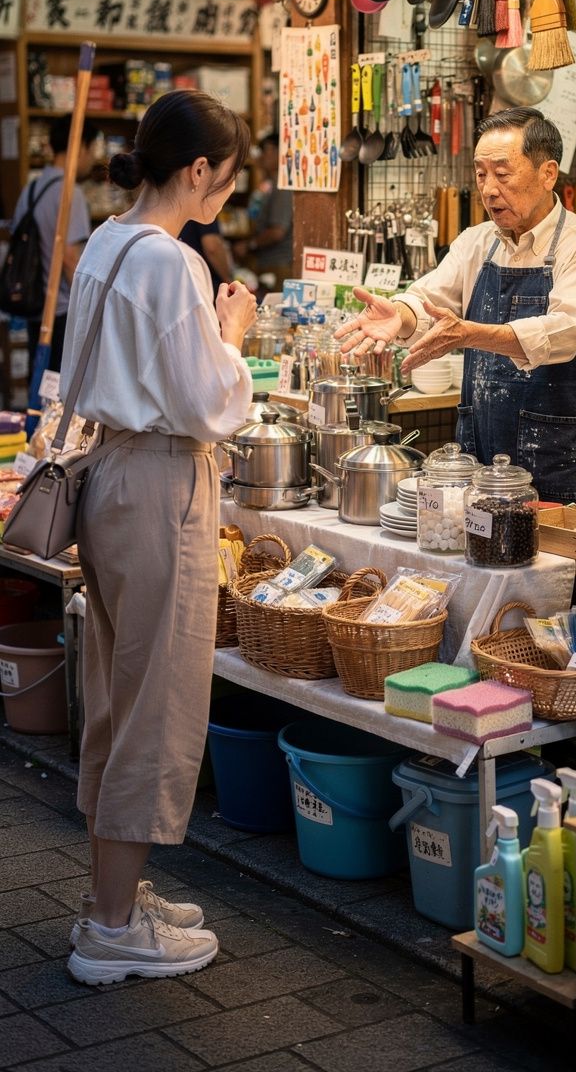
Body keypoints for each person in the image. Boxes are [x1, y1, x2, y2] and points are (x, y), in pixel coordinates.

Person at [61, 90, 256, 985]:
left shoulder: (107, 238)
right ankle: (110, 927)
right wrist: (233, 336)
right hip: (159, 480)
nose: (227, 191)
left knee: (116, 690)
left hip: (108, 477)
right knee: (157, 702)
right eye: (227, 175)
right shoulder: (171, 261)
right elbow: (208, 402)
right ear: (199, 171)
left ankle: (115, 894)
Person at [337, 108, 576, 512]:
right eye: (481, 174)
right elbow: (427, 300)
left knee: (561, 574)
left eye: (503, 174)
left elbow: (562, 334)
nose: (488, 189)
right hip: (482, 456)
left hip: (560, 456)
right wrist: (401, 313)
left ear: (548, 173)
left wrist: (469, 334)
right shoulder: (476, 242)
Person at [12, 114, 99, 371]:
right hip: (62, 312)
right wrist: (90, 312)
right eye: (92, 149)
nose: (93, 157)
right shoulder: (70, 192)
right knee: (61, 393)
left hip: (34, 306)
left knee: (38, 389)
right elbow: (71, 258)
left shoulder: (31, 189)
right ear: (80, 146)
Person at [234, 133, 293, 287]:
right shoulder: (269, 183)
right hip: (266, 263)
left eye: (265, 149)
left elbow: (277, 231)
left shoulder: (282, 185)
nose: (261, 155)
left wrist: (249, 245)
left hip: (278, 264)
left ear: (279, 151)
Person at [179, 215, 235, 299]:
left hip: (185, 281)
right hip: (207, 284)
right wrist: (228, 279)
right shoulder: (204, 208)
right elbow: (212, 247)